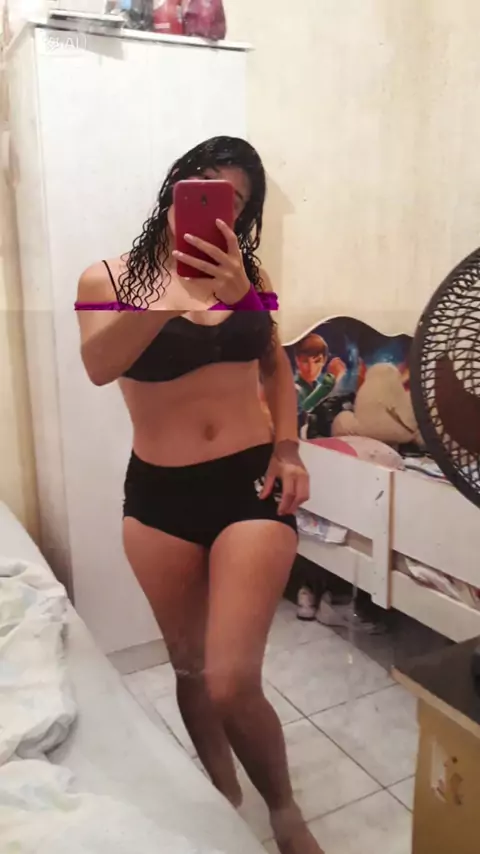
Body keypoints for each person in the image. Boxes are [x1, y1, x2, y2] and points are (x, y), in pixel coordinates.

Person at [76, 137, 323, 854]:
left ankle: (284, 811)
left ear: (242, 214)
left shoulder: (253, 275)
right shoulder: (106, 277)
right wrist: (170, 297)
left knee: (230, 680)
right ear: (178, 185)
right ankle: (223, 795)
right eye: (205, 183)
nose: (219, 203)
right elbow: (99, 364)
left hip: (248, 482)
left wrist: (288, 446)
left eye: (236, 199)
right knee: (188, 665)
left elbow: (274, 364)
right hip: (160, 498)